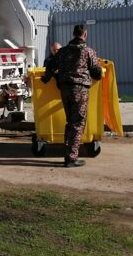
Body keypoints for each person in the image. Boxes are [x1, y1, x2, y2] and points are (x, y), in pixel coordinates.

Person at [42, 24, 102, 167]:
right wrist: (97, 68)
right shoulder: (88, 52)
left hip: (65, 90)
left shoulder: (62, 52)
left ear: (73, 34)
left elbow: (50, 66)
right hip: (80, 90)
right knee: (78, 123)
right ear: (84, 34)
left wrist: (47, 77)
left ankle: (68, 154)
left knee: (70, 122)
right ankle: (71, 158)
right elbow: (97, 74)